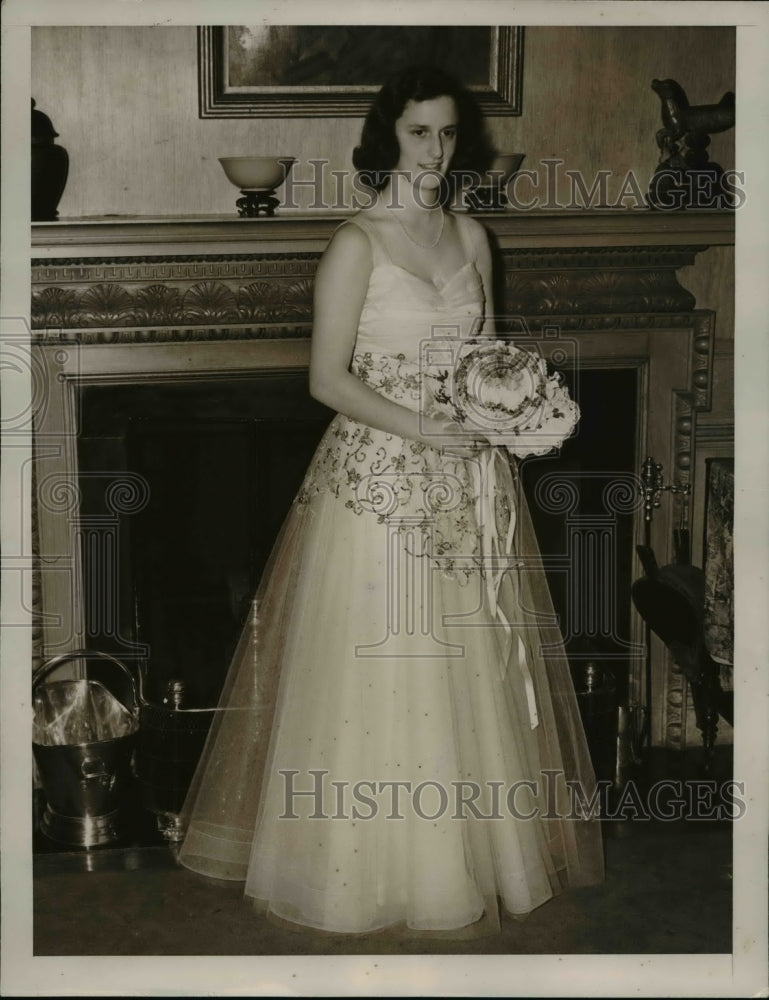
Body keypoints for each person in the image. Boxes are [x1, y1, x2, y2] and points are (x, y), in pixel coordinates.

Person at [178, 66, 604, 938]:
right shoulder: (355, 243)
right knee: (382, 673)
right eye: (419, 133)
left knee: (463, 673)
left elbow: (487, 357)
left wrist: (510, 415)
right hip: (376, 481)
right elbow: (324, 379)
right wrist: (421, 426)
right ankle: (355, 877)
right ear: (388, 138)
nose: (436, 150)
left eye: (448, 133)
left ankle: (461, 865)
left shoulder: (474, 236)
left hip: (466, 479)